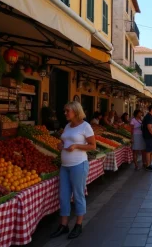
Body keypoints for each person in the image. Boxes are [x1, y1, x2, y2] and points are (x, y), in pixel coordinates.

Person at [51, 101, 96, 239]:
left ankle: (78, 224)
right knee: (63, 196)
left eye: (67, 111)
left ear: (76, 111)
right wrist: (61, 144)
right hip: (65, 166)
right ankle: (63, 225)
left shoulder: (85, 126)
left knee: (78, 195)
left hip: (78, 165)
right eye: (65, 111)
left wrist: (76, 146)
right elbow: (65, 141)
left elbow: (92, 146)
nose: (65, 113)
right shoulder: (67, 126)